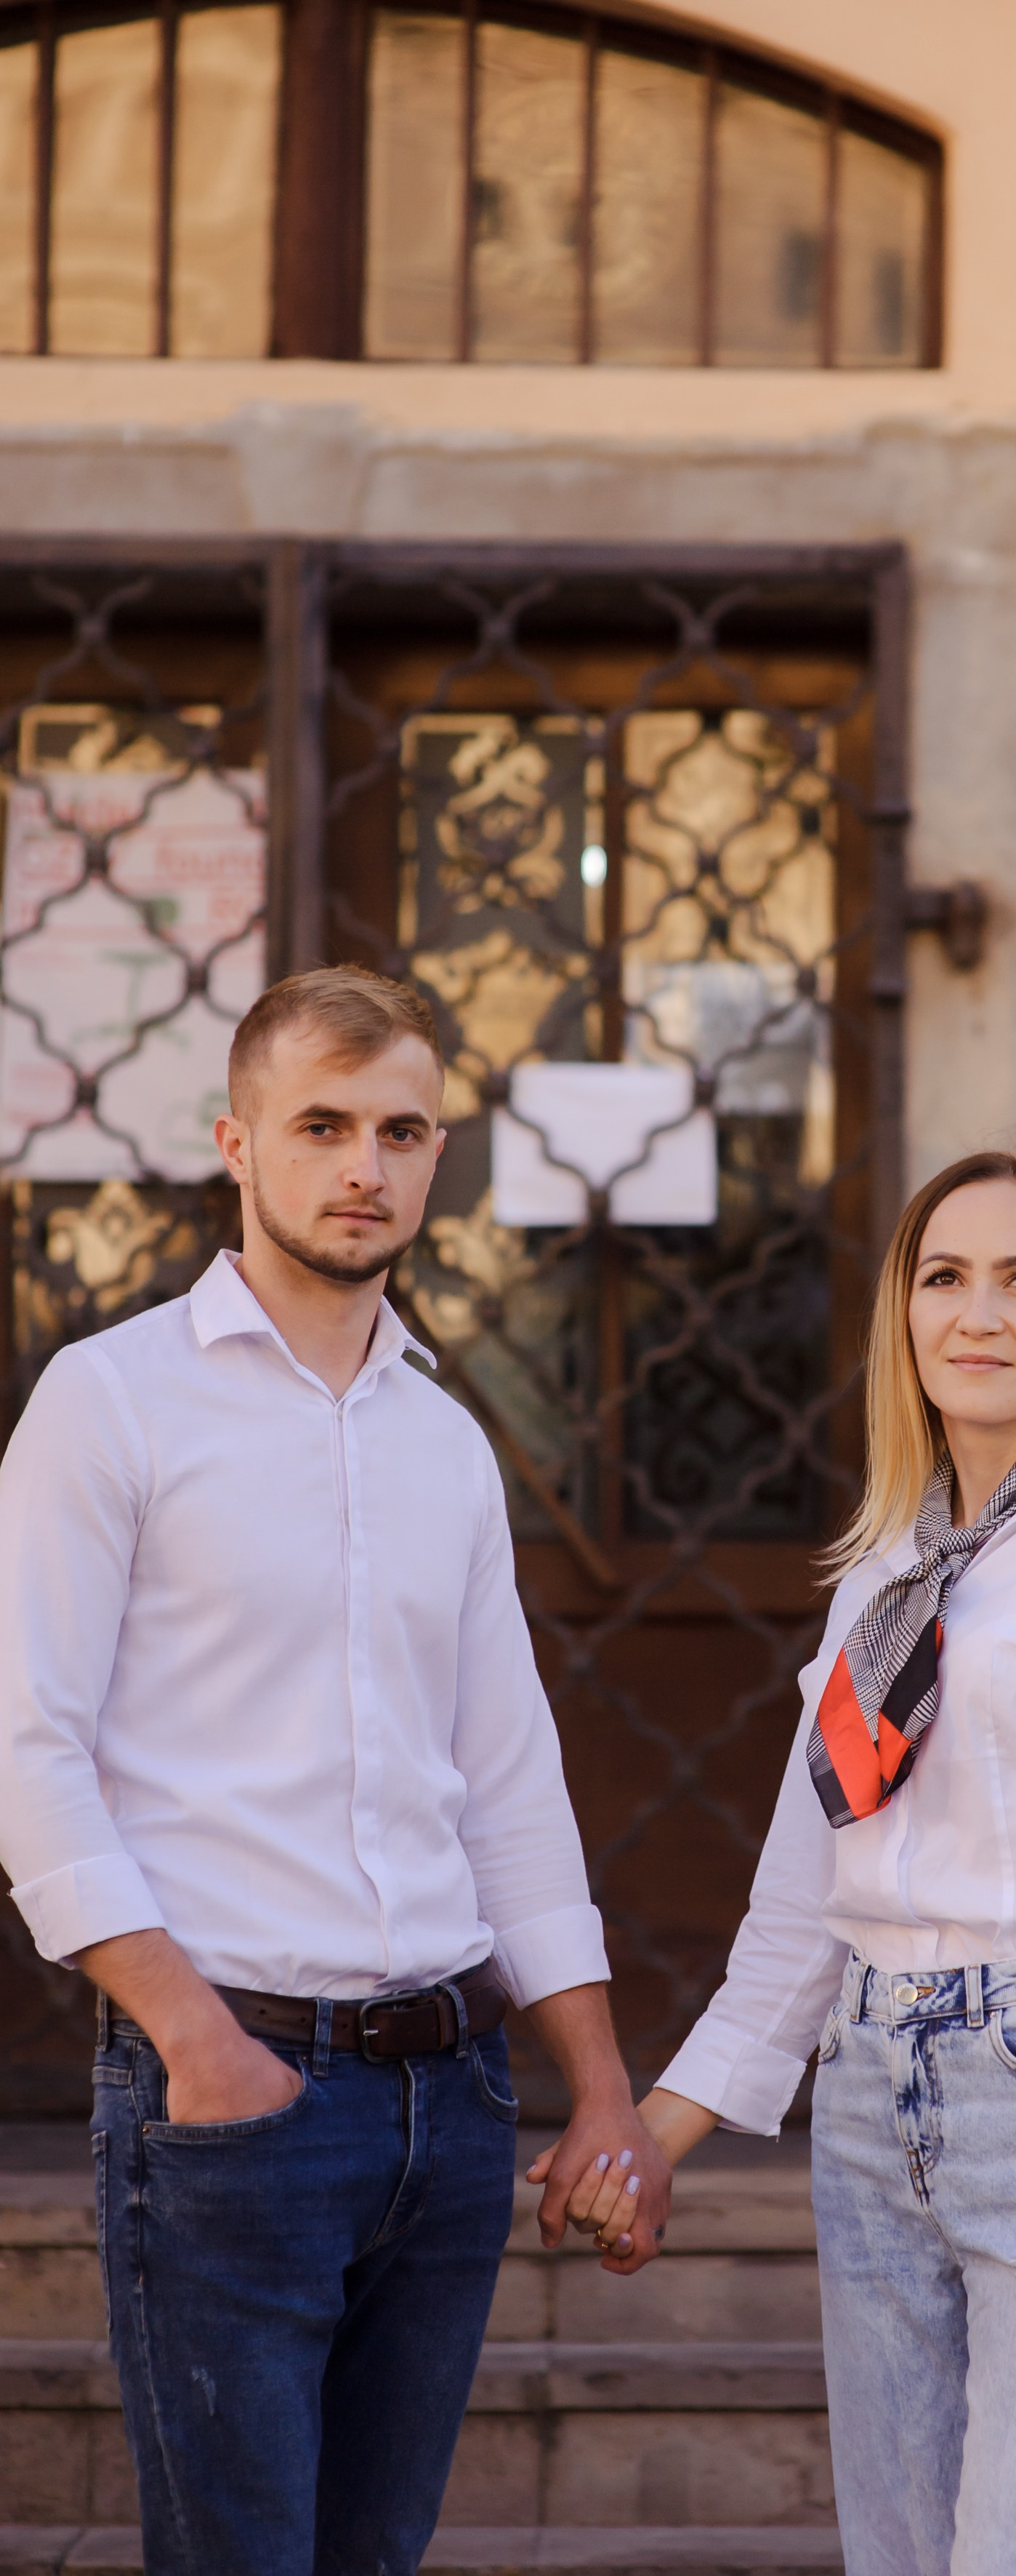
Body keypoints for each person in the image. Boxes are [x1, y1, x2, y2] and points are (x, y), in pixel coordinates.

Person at [0, 965, 669, 2576]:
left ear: (438, 1154)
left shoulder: (448, 1438)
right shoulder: (112, 1400)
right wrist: (193, 2037)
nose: (364, 1163)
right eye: (322, 1123)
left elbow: (507, 1776)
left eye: (402, 1128)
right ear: (239, 1140)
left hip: (452, 2106)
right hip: (232, 2097)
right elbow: (26, 1743)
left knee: (374, 2557)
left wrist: (601, 2086)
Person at [567, 1149, 1016, 2576]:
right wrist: (654, 2135)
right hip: (872, 2106)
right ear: (905, 1315)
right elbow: (804, 1902)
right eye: (945, 1276)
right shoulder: (879, 1575)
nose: (978, 1312)